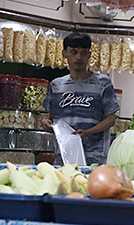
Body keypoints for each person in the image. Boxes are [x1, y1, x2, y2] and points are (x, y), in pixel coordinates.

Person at [40, 32, 120, 166]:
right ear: (64, 53)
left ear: (89, 55)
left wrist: (88, 132)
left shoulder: (103, 83)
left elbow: (111, 119)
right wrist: (45, 123)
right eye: (74, 52)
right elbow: (51, 120)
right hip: (64, 157)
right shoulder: (56, 85)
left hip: (94, 159)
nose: (79, 57)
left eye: (83, 52)